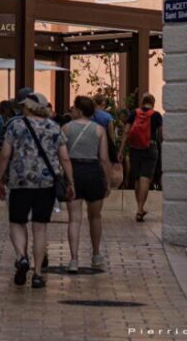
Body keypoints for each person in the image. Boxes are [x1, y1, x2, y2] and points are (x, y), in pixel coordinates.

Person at [0, 91, 75, 290]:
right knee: (40, 228)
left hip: (20, 182)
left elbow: (4, 155)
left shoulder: (15, 126)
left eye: (24, 105)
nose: (22, 108)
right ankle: (38, 274)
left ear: (30, 107)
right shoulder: (54, 127)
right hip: (46, 184)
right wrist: (70, 182)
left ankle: (22, 257)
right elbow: (64, 157)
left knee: (17, 222)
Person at [61, 97, 111, 272]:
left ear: (80, 110)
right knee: (95, 217)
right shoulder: (99, 130)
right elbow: (103, 158)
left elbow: (61, 155)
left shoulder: (66, 128)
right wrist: (107, 181)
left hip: (73, 171)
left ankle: (74, 259)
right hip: (93, 172)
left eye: (74, 108)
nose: (72, 110)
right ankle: (96, 254)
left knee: (74, 219)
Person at [118, 93, 163, 222]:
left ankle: (139, 207)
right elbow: (161, 134)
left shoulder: (134, 113)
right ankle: (140, 208)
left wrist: (121, 150)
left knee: (137, 178)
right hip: (150, 147)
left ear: (142, 102)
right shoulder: (156, 115)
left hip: (134, 149)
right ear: (153, 103)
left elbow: (126, 132)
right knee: (145, 178)